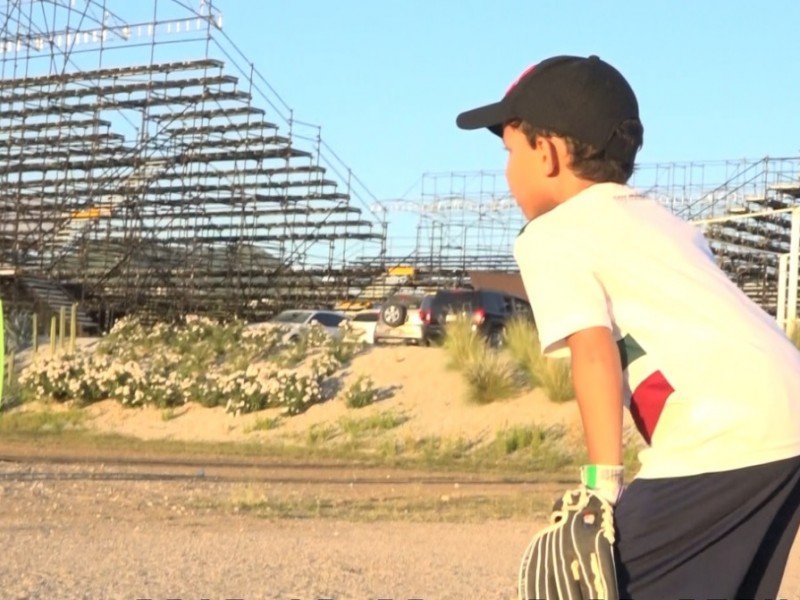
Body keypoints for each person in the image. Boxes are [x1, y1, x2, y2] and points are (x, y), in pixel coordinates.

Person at [455, 54, 800, 599]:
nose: (507, 171)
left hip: (723, 432)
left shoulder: (551, 234)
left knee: (623, 580)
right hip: (785, 410)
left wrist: (601, 485)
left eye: (510, 152)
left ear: (545, 154)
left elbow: (596, 354)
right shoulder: (665, 223)